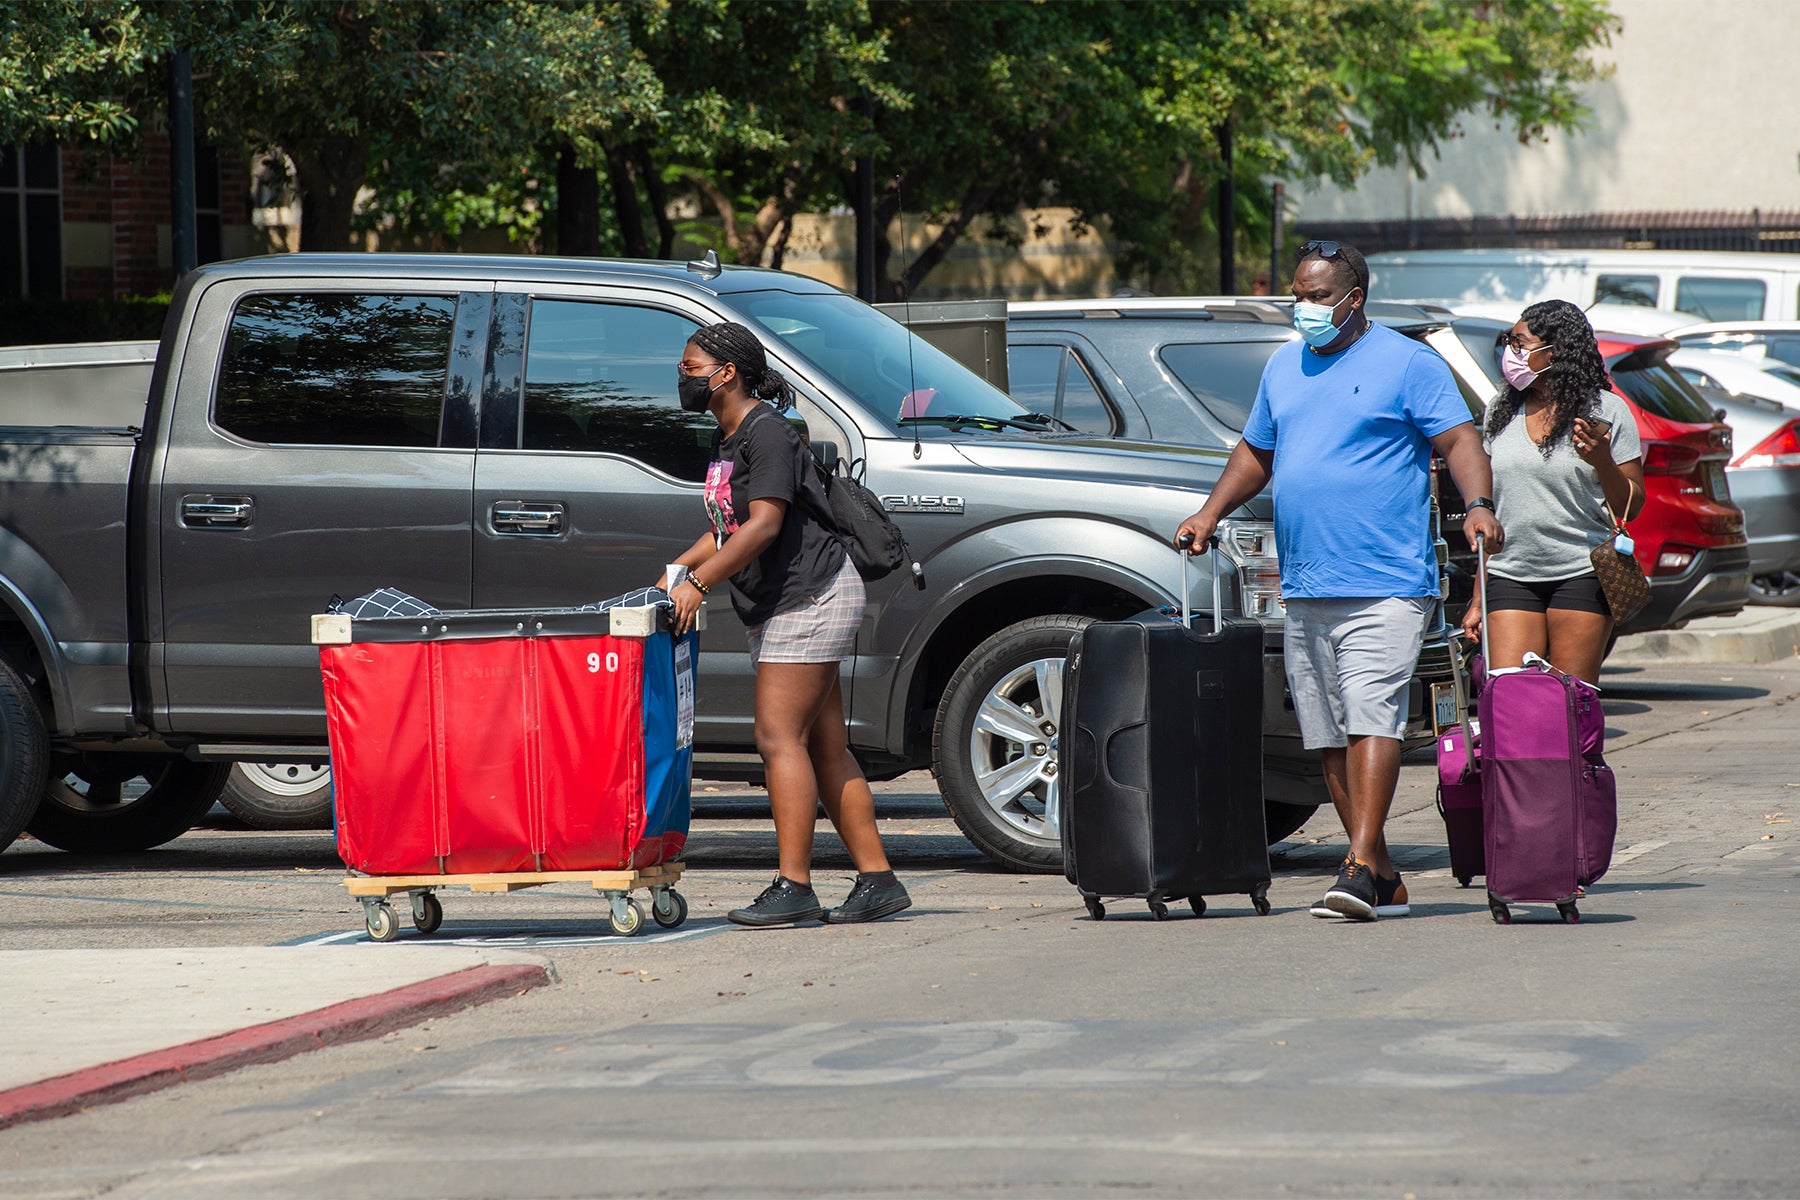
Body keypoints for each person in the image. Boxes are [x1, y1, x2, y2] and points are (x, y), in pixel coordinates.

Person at [1175, 240, 1503, 922]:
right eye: (1299, 294)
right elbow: (1256, 451)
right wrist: (1209, 511)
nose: (1305, 308)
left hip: (1386, 580)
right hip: (1307, 583)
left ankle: (1355, 865)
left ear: (1355, 299)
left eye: (1319, 297)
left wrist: (1476, 506)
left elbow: (1460, 441)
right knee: (1326, 734)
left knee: (1370, 716)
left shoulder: (1409, 363)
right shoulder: (1284, 366)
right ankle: (1379, 871)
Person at [659, 321, 910, 927]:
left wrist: (700, 583)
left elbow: (766, 523)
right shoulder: (730, 438)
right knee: (823, 743)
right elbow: (729, 523)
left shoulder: (766, 434)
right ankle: (878, 880)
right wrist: (678, 567)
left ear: (727, 373)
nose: (682, 378)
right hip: (788, 599)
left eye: (692, 368)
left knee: (777, 738)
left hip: (810, 596)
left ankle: (794, 885)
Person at [1459, 300, 1645, 685]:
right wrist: (1477, 599)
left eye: (1520, 343)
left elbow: (1632, 504)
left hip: (1581, 571)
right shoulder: (1501, 409)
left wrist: (1603, 460)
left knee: (1569, 699)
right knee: (1511, 697)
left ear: (1555, 351)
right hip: (1510, 573)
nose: (1510, 353)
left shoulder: (1605, 410)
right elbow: (1493, 513)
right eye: (1509, 342)